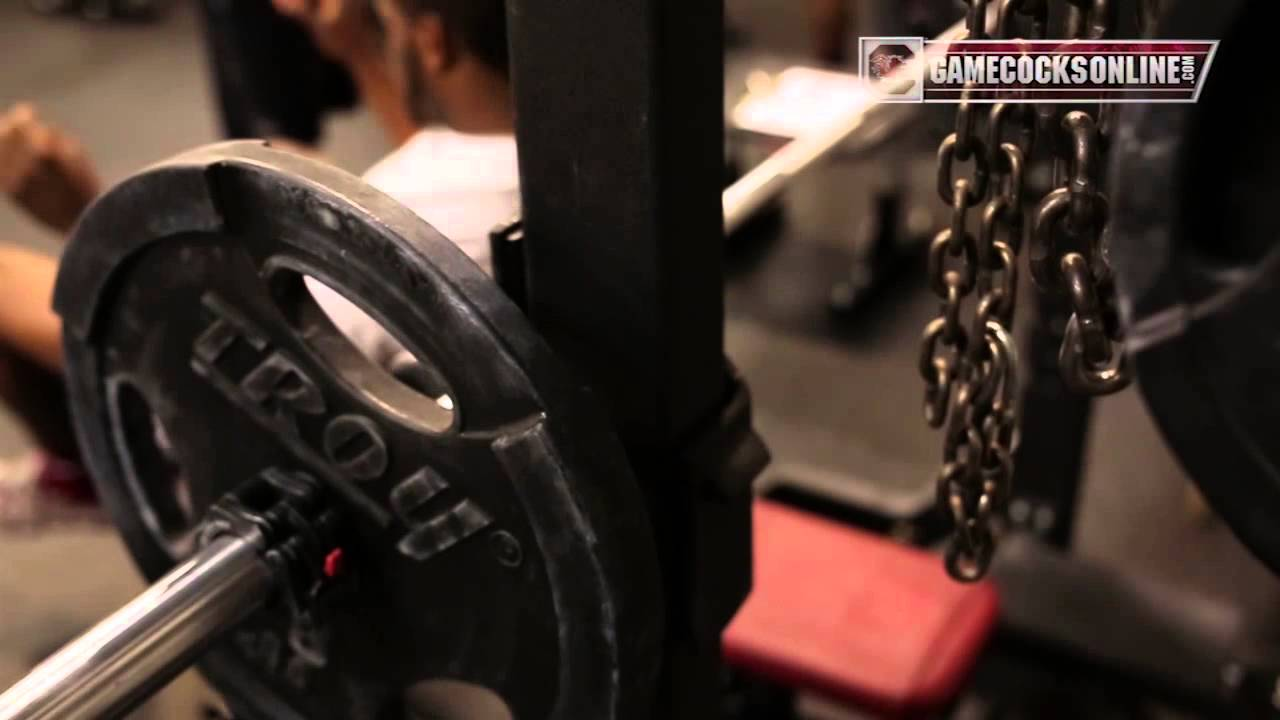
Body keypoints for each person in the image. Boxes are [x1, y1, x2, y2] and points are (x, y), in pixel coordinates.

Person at [0, 0, 518, 526]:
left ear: (433, 41)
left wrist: (88, 216)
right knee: (296, 161)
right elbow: (451, 160)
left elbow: (213, 384)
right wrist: (361, 49)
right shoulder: (556, 157)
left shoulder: (404, 219)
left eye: (389, 24)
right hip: (491, 451)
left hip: (311, 483)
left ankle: (111, 482)